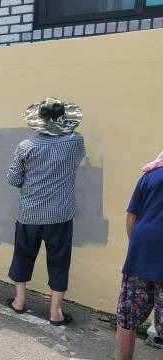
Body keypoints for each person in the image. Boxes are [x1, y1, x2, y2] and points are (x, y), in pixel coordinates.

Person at [6, 97, 85, 326]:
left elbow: (13, 178)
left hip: (29, 214)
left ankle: (19, 301)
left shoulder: (26, 146)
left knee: (23, 256)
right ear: (64, 119)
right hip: (60, 215)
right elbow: (79, 159)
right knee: (59, 262)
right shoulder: (76, 142)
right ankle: (55, 313)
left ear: (39, 121)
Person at [115, 151, 163, 360]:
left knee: (128, 316)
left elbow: (131, 214)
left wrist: (136, 246)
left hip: (141, 253)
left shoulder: (150, 174)